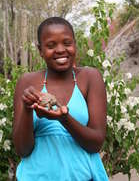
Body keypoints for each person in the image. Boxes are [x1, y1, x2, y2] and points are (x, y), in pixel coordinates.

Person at [13, 17, 109, 181]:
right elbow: (23, 150)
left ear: (75, 45)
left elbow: (96, 144)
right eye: (51, 45)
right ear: (40, 50)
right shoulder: (27, 82)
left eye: (67, 43)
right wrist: (27, 110)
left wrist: (65, 119)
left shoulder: (90, 77)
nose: (60, 50)